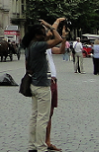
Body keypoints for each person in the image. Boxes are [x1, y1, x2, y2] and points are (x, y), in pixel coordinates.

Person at [22, 18, 63, 152]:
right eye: (43, 32)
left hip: (33, 83)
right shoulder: (38, 46)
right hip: (42, 84)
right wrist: (51, 26)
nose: (46, 34)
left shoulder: (29, 46)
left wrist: (49, 26)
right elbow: (58, 39)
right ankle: (40, 146)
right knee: (42, 117)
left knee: (34, 116)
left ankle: (32, 145)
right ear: (38, 35)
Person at [43, 21, 67, 152]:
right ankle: (42, 142)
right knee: (44, 114)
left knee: (49, 113)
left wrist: (64, 38)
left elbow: (61, 50)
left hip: (52, 81)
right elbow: (53, 36)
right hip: (46, 81)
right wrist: (55, 22)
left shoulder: (47, 47)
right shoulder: (39, 46)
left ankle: (47, 141)